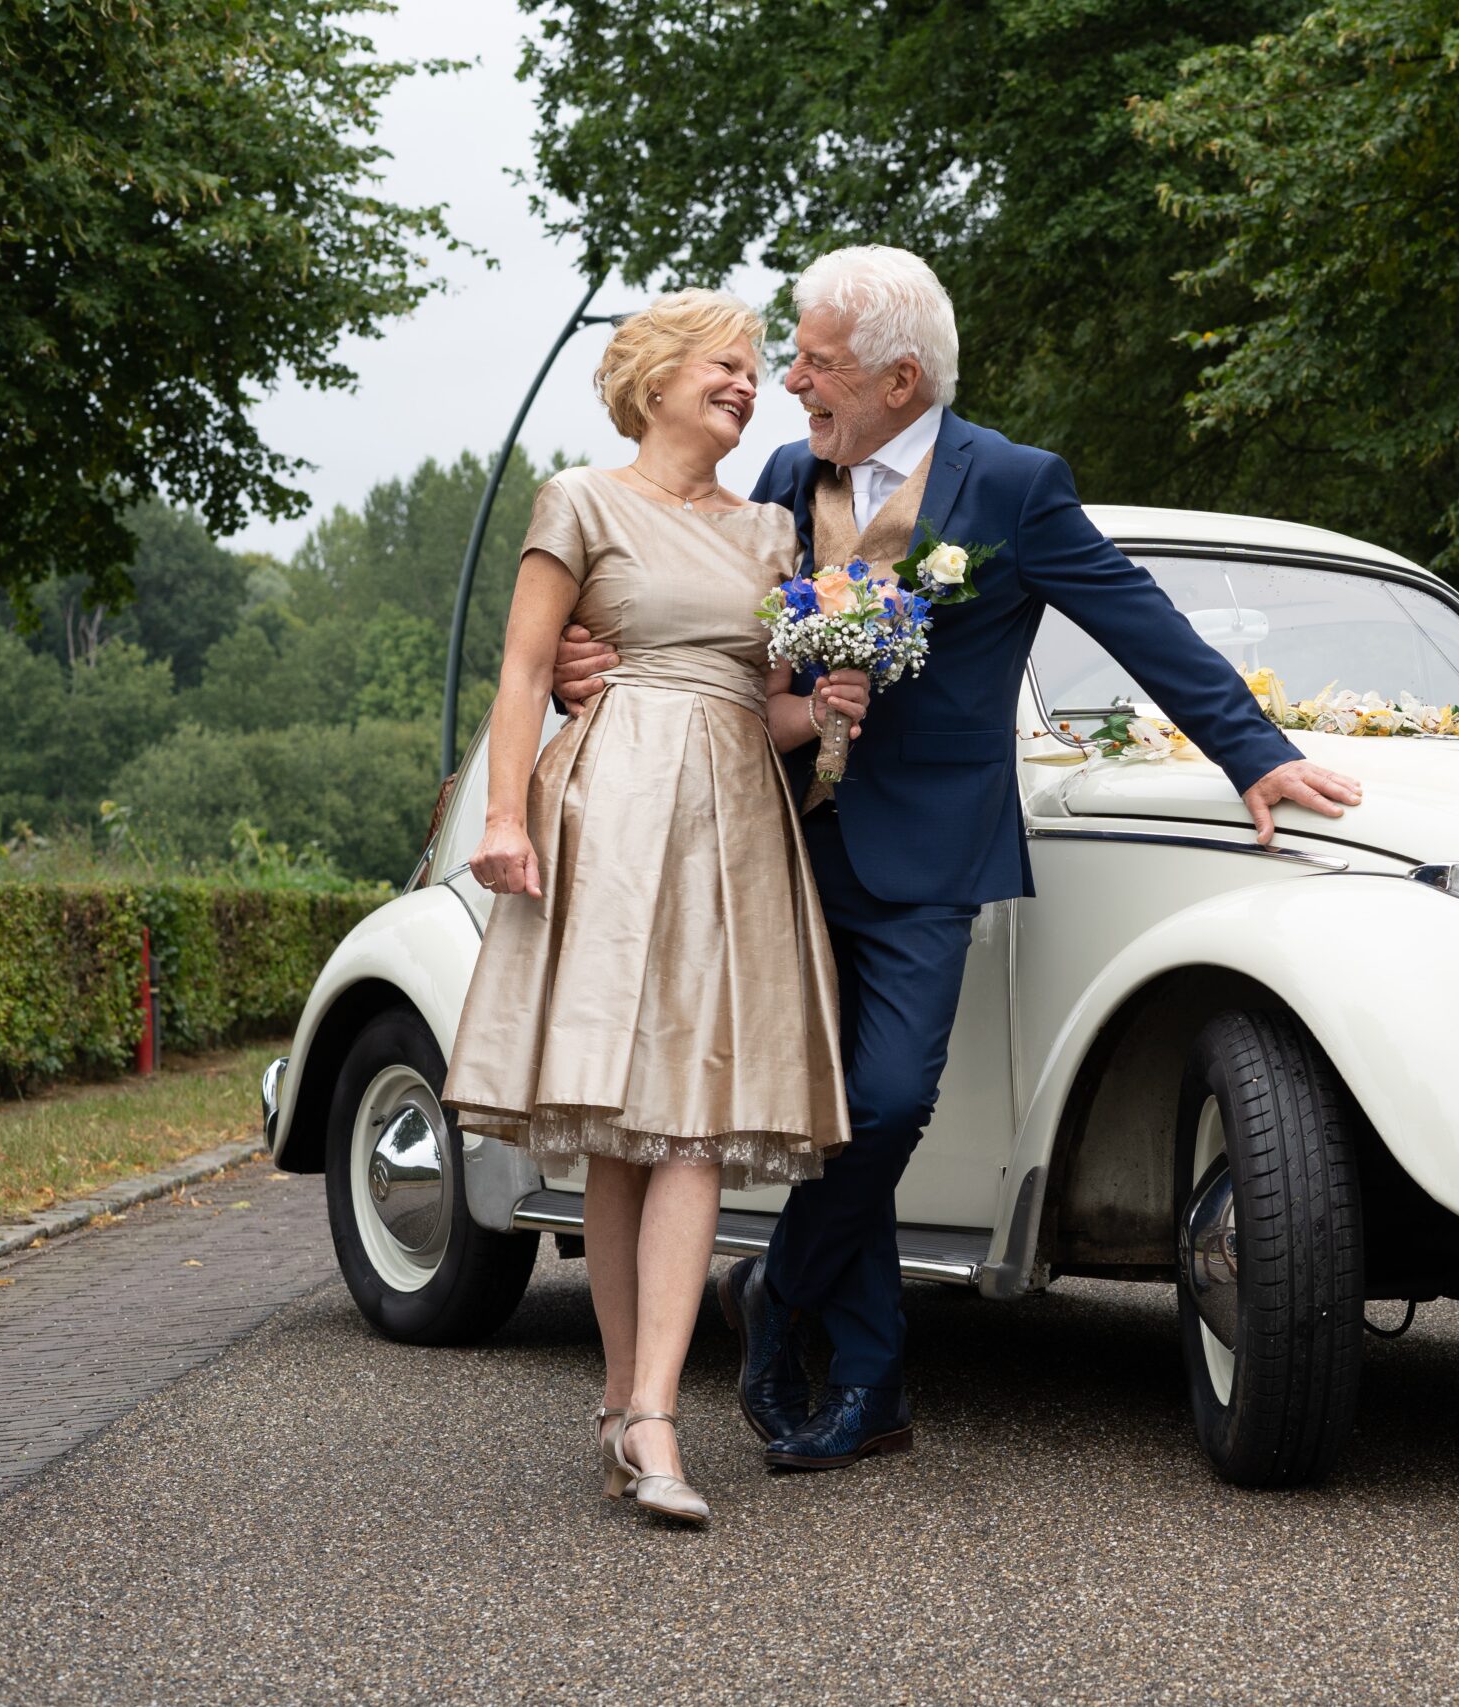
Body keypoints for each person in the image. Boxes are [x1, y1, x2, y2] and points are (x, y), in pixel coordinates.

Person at [553, 247, 1363, 1472]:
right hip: (766, 834)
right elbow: (708, 629)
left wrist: (1252, 754)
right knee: (819, 1121)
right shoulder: (784, 476)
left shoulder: (1016, 486)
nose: (791, 386)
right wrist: (586, 665)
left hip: (929, 850)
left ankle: (783, 1292)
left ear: (899, 377)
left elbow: (1136, 615)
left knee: (882, 1104)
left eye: (816, 364)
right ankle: (869, 1385)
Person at [443, 289, 871, 1525]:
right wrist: (507, 819)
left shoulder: (773, 535)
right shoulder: (579, 501)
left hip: (737, 824)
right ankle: (629, 1403)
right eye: (726, 367)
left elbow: (771, 709)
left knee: (690, 1122)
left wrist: (837, 700)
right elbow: (529, 668)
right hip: (615, 812)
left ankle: (655, 1416)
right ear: (655, 379)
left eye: (753, 370)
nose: (747, 385)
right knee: (623, 1130)